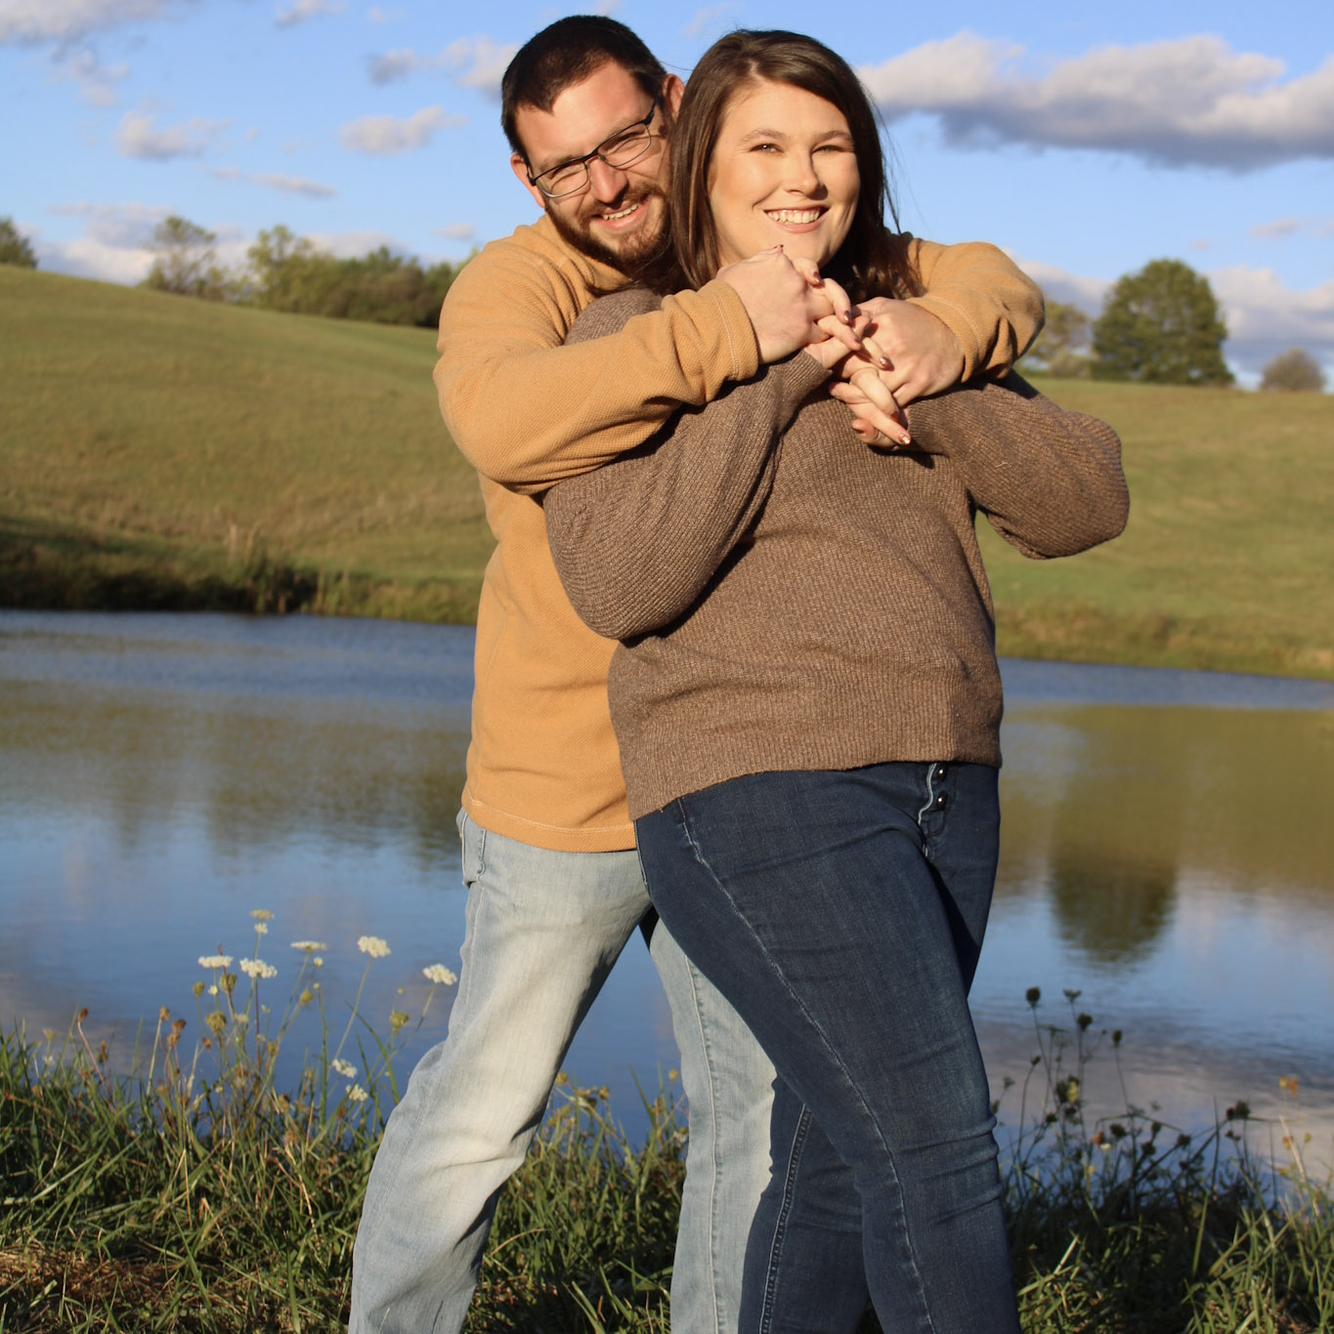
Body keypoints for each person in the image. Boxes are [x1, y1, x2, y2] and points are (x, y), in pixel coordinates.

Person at [350, 16, 1049, 1334]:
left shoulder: (793, 227)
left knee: (761, 1134)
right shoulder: (528, 289)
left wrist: (940, 334)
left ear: (675, 107)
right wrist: (733, 324)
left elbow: (998, 281)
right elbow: (497, 419)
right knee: (480, 1110)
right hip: (561, 788)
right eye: (566, 167)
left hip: (765, 784)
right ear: (525, 181)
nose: (606, 182)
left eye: (625, 137)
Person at [541, 28, 1130, 1333]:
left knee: (827, 1173)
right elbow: (620, 580)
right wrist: (783, 361)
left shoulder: (910, 327)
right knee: (936, 1149)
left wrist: (931, 384)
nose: (803, 174)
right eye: (765, 146)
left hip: (943, 787)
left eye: (829, 145)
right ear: (701, 168)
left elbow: (1089, 499)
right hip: (752, 790)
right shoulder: (637, 333)